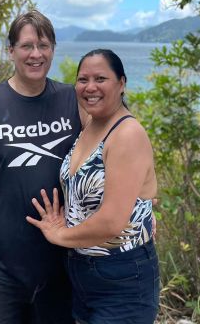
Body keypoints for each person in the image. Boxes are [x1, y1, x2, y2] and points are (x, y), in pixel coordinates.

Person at [0, 10, 84, 324]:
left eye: (44, 45)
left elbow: (118, 142)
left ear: (53, 49)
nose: (36, 54)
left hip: (61, 265)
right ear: (10, 51)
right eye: (26, 46)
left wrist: (139, 202)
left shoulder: (71, 101)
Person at [27, 48, 159, 324]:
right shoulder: (91, 123)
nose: (90, 87)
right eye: (83, 79)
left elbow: (111, 221)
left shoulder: (127, 134)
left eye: (101, 78)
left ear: (122, 83)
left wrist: (59, 235)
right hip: (82, 271)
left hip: (121, 274)